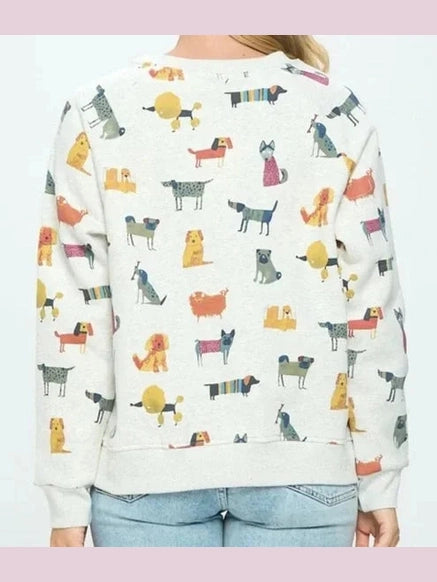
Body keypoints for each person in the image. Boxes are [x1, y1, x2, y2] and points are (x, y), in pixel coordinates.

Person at [34, 35, 409, 547]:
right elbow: (373, 304)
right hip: (305, 474)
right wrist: (379, 477)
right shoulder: (334, 106)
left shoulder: (97, 107)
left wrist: (67, 500)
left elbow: (72, 312)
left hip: (145, 475)